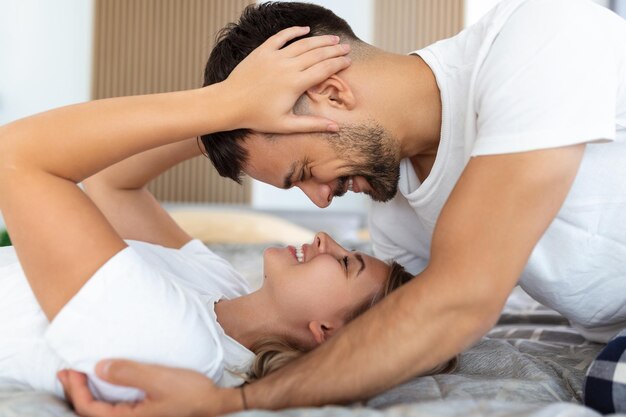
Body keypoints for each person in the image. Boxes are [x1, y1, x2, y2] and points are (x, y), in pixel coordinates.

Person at [59, 0, 626, 415]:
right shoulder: (397, 215)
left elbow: (460, 302)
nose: (321, 201)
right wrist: (221, 109)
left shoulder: (541, 40)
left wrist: (238, 402)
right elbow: (400, 329)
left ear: (332, 91)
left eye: (303, 173)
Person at [0, 26, 454, 408]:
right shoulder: (223, 292)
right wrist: (240, 128)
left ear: (325, 332)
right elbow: (113, 183)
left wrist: (227, 104)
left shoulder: (179, 348)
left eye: (343, 263)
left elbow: (13, 157)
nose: (323, 237)